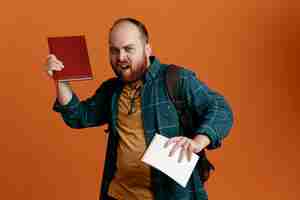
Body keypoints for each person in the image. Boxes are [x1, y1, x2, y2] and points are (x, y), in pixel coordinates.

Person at [45, 18, 233, 200]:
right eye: (114, 50)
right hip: (118, 194)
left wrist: (198, 142)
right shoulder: (112, 90)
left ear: (147, 49)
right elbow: (79, 116)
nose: (120, 57)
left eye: (128, 49)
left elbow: (221, 109)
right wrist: (61, 80)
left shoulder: (176, 79)